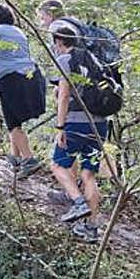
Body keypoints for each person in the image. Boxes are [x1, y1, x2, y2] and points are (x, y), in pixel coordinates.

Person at [50, 28, 108, 242]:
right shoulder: (94, 59)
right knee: (88, 174)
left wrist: (60, 127)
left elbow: (64, 95)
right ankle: (92, 228)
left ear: (59, 41)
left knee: (58, 165)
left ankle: (78, 202)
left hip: (76, 123)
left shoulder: (66, 59)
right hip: (100, 125)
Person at [0, 4, 46, 178]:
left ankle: (29, 159)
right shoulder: (18, 32)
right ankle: (15, 157)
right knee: (14, 119)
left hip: (10, 78)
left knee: (13, 123)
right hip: (31, 75)